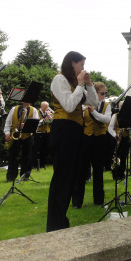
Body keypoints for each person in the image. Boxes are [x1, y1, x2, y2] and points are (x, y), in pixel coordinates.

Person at [46, 51, 98, 232]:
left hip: (75, 130)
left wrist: (89, 85)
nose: (84, 68)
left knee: (71, 177)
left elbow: (93, 102)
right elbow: (68, 105)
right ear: (72, 63)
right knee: (62, 177)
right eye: (81, 65)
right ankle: (54, 223)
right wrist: (80, 85)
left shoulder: (78, 84)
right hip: (63, 129)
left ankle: (61, 219)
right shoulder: (59, 80)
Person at [77, 82, 111, 206]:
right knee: (81, 169)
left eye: (105, 93)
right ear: (95, 93)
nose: (104, 95)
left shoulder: (107, 105)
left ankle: (99, 200)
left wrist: (94, 112)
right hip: (86, 138)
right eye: (102, 93)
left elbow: (106, 119)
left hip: (100, 139)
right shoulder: (84, 105)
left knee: (98, 170)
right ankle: (77, 201)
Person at [4, 102, 39, 181]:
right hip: (15, 134)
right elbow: (8, 122)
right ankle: (11, 176)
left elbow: (36, 125)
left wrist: (26, 125)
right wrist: (7, 133)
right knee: (13, 156)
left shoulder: (34, 110)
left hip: (27, 135)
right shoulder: (14, 109)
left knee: (27, 156)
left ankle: (25, 176)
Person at [32, 101, 53, 170]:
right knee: (37, 149)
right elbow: (37, 123)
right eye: (45, 107)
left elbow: (51, 121)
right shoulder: (37, 112)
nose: (47, 108)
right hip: (38, 132)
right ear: (41, 106)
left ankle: (42, 164)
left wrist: (50, 118)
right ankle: (35, 164)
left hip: (47, 132)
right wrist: (44, 119)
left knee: (45, 148)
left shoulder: (48, 113)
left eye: (47, 107)